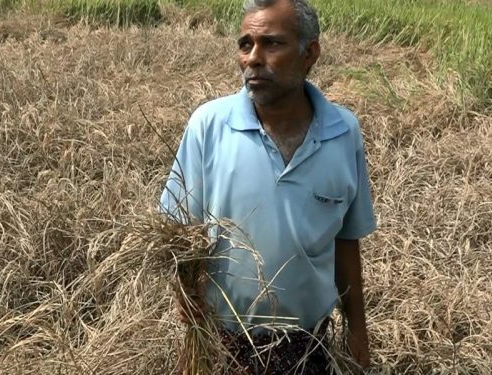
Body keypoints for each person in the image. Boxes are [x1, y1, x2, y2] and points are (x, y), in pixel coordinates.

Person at [160, 0, 377, 372]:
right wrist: (190, 313)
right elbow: (179, 233)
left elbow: (345, 241)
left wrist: (357, 331)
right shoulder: (209, 126)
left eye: (272, 44)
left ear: (310, 53)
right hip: (221, 344)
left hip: (308, 348)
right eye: (246, 44)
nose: (253, 59)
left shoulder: (342, 133)